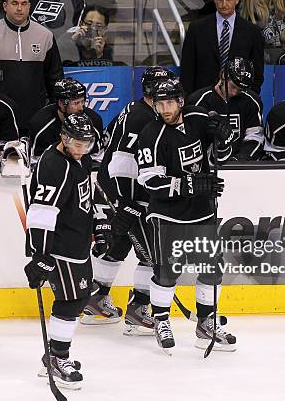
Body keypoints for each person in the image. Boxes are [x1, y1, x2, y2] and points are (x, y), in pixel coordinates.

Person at [136, 77, 237, 353]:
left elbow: (221, 156)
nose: (165, 109)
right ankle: (160, 320)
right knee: (167, 272)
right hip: (167, 214)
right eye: (159, 104)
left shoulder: (199, 118)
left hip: (202, 210)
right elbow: (149, 181)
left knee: (212, 268)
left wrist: (224, 137)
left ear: (181, 101)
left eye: (169, 103)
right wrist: (189, 185)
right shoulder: (150, 135)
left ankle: (206, 323)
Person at [86, 67, 175, 334]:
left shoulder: (136, 109)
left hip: (113, 189)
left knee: (120, 243)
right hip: (125, 194)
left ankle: (96, 299)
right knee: (152, 254)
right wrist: (124, 201)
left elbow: (107, 147)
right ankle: (138, 309)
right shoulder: (142, 117)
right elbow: (120, 162)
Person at [23, 112, 97, 389]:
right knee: (72, 301)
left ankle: (54, 354)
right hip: (60, 247)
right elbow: (41, 212)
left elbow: (85, 196)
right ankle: (57, 357)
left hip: (77, 243)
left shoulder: (78, 159)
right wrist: (40, 255)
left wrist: (97, 226)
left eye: (86, 144)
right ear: (63, 138)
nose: (82, 149)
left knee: (79, 297)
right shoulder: (55, 166)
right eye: (77, 144)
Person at [0, 0, 63, 135]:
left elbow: (55, 78)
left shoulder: (45, 36)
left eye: (24, 3)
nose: (19, 8)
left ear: (30, 6)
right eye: (14, 3)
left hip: (36, 118)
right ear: (5, 6)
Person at [181, 0, 264, 95]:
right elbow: (187, 70)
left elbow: (257, 73)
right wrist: (190, 102)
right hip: (203, 99)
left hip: (239, 99)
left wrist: (247, 99)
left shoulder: (252, 31)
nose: (224, 4)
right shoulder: (196, 29)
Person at [186, 57, 264, 160]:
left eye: (240, 89)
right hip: (208, 162)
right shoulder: (198, 100)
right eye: (233, 86)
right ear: (223, 75)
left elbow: (255, 137)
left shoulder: (252, 101)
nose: (234, 92)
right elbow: (191, 139)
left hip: (240, 163)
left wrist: (242, 158)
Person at [29, 77, 102, 160]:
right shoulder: (40, 124)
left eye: (82, 101)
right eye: (76, 103)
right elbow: (36, 161)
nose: (81, 108)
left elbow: (96, 158)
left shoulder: (94, 121)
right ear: (61, 104)